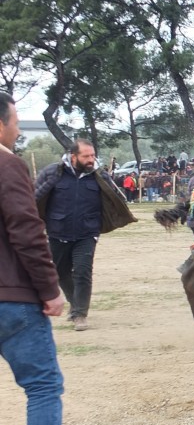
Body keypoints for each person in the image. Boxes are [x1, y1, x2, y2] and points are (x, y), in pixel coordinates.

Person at [0, 92, 97, 425]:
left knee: (83, 271)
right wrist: (49, 289)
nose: (17, 129)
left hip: (83, 234)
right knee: (42, 386)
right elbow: (26, 230)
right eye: (15, 120)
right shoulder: (8, 164)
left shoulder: (94, 178)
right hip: (12, 298)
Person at [34, 139, 136, 330]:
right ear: (73, 157)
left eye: (93, 155)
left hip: (87, 233)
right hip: (57, 231)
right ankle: (75, 304)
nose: (91, 159)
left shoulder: (99, 175)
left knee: (82, 271)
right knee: (60, 272)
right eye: (86, 156)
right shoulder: (52, 172)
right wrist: (49, 183)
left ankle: (80, 314)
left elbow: (115, 199)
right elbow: (33, 198)